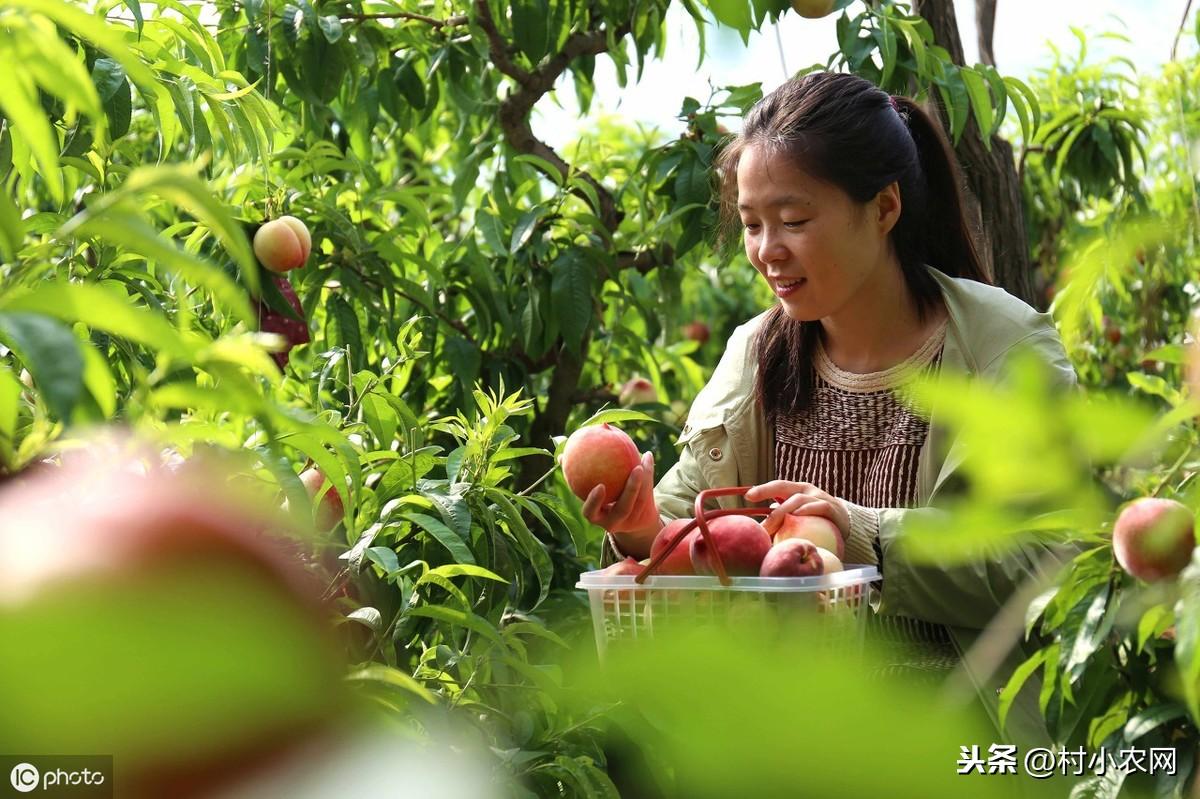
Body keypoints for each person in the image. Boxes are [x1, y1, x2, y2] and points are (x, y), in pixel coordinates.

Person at [583, 71, 1079, 748]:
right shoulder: (755, 356)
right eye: (753, 224)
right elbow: (690, 531)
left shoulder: (1004, 350)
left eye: (794, 220)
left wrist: (862, 532)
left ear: (883, 208)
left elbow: (1054, 560)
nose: (766, 251)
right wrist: (641, 527)